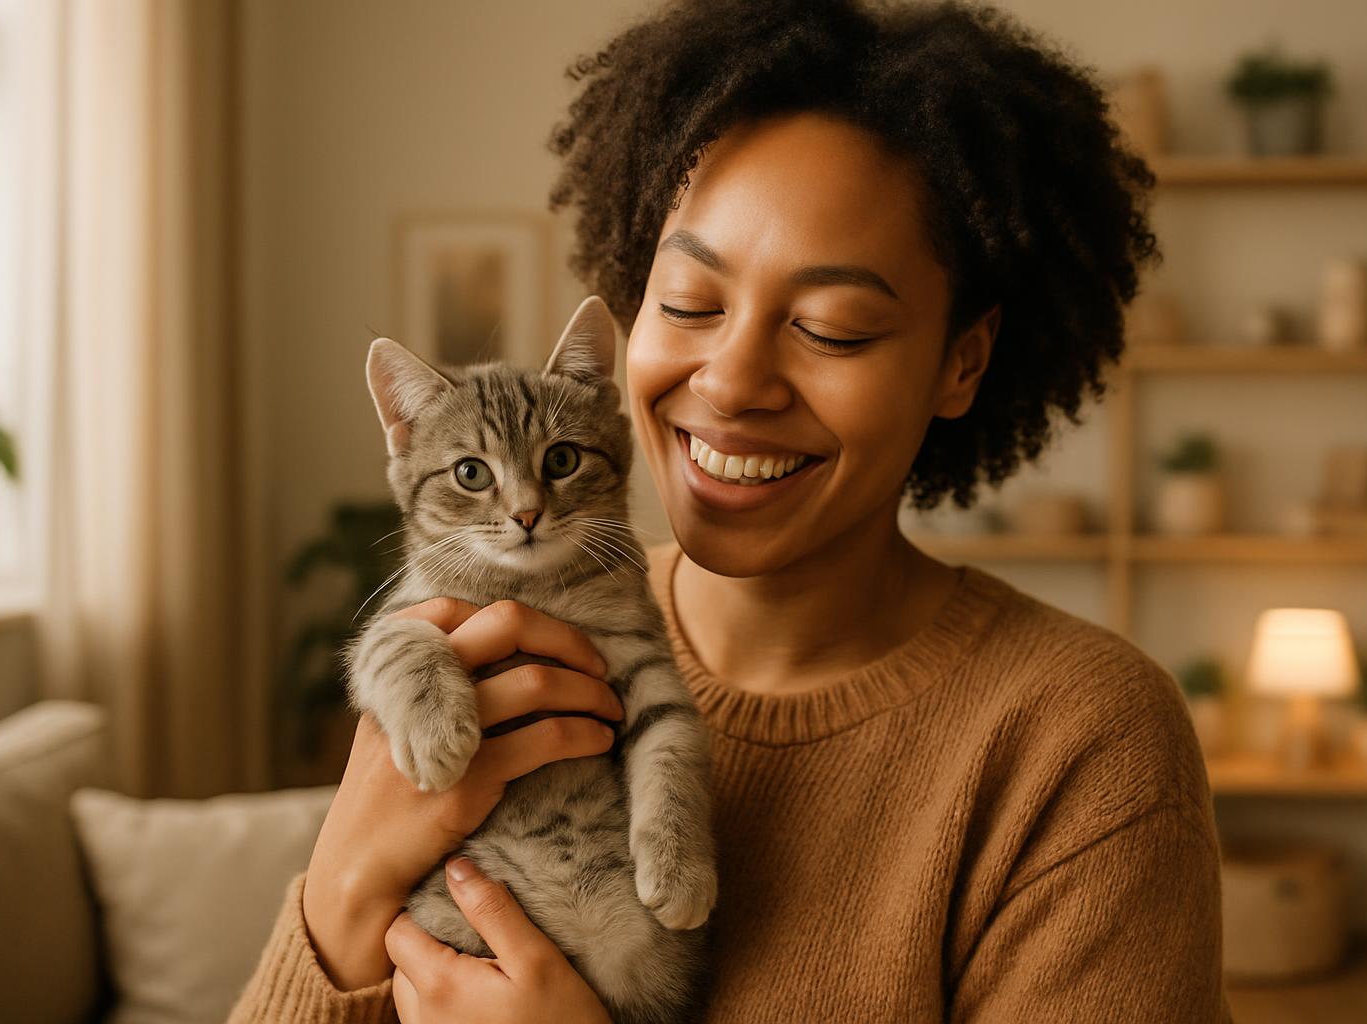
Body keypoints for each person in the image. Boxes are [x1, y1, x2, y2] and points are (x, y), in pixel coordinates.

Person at [230, 0, 1233, 1020]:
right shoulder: (484, 640)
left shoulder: (1083, 746)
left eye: (832, 327)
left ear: (961, 361)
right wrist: (345, 881)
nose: (734, 379)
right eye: (689, 305)